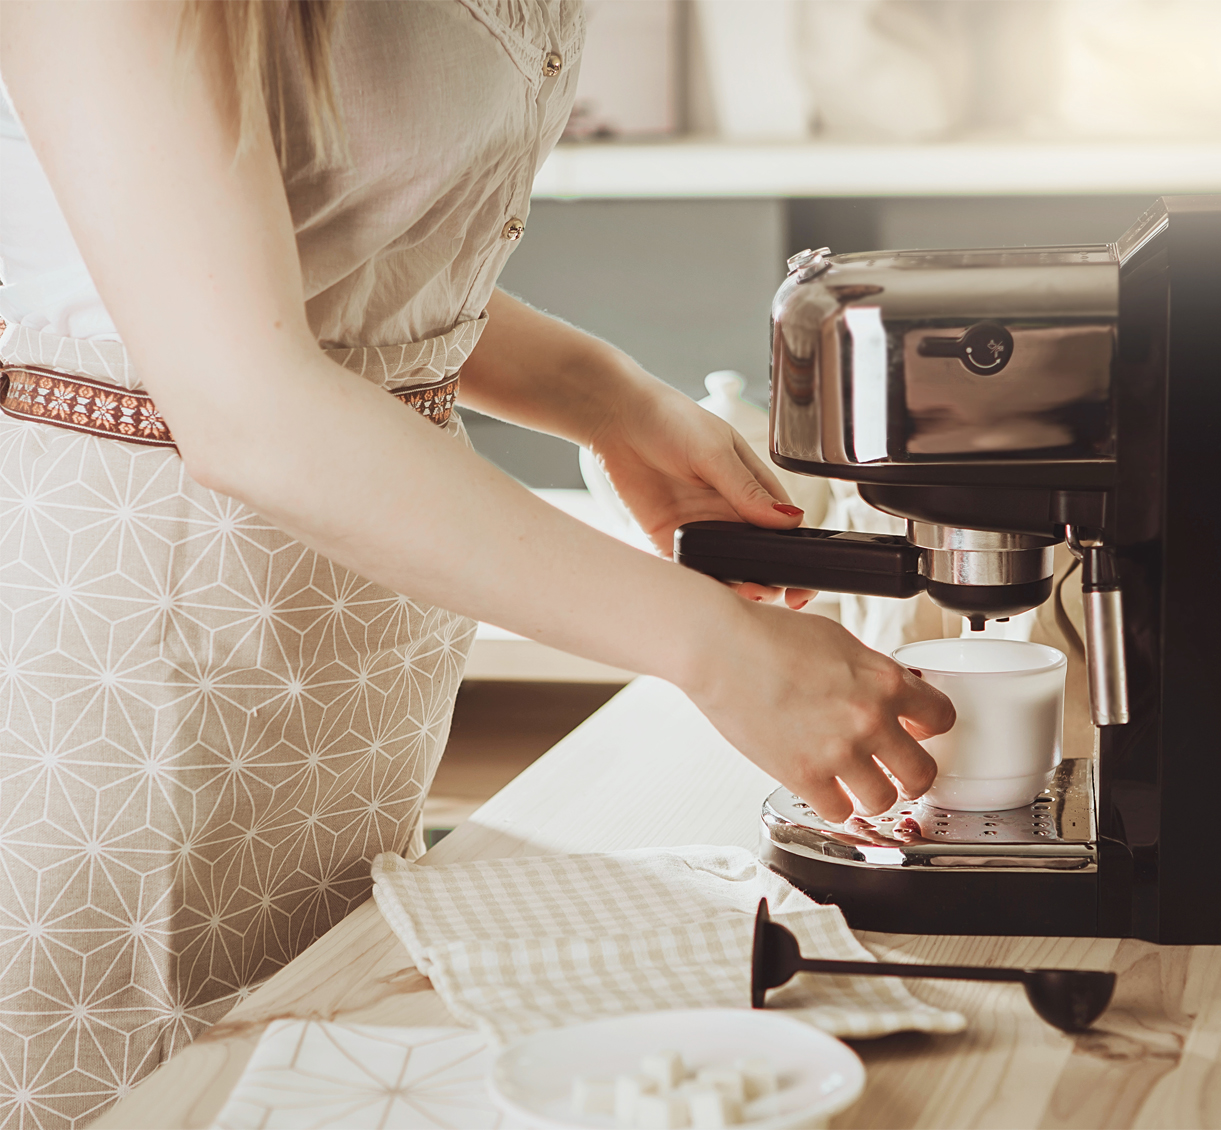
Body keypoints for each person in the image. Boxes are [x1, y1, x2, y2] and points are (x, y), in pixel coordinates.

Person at [0, 1, 952, 1123]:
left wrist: (606, 399)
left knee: (302, 1054)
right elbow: (242, 406)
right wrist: (719, 649)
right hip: (114, 656)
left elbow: (323, 230)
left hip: (345, 643)